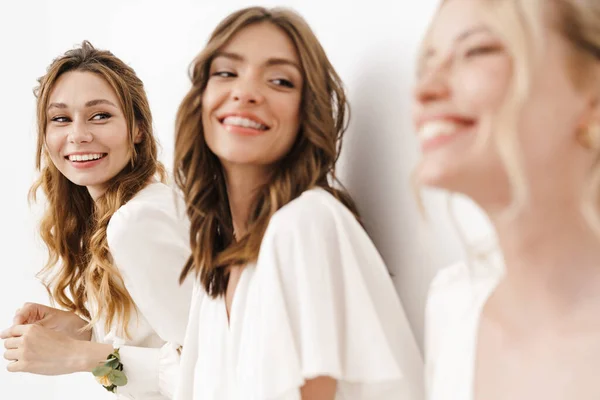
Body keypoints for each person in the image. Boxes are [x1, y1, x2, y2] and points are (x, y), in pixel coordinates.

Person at [173, 6, 424, 400]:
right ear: (201, 97)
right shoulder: (218, 262)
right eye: (226, 72)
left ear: (307, 113)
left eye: (279, 81)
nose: (245, 92)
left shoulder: (304, 224)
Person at [415, 0, 600, 399]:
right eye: (428, 61)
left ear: (594, 96)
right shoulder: (454, 308)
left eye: (477, 51)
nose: (425, 89)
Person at [1, 41, 193, 400]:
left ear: (137, 129)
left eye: (100, 115)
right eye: (60, 119)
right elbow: (164, 347)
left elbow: (213, 370)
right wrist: (86, 330)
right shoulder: (128, 210)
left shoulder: (136, 222)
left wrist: (77, 355)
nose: (78, 135)